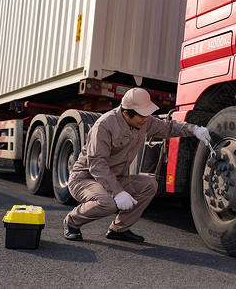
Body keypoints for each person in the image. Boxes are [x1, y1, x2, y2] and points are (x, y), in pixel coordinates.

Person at [63, 87, 211, 242]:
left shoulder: (143, 120)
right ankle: (72, 221)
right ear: (127, 113)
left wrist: (195, 130)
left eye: (148, 114)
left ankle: (118, 229)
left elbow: (168, 127)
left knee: (149, 184)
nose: (146, 119)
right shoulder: (105, 125)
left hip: (114, 177)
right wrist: (118, 192)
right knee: (108, 203)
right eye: (142, 115)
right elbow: (97, 164)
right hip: (85, 179)